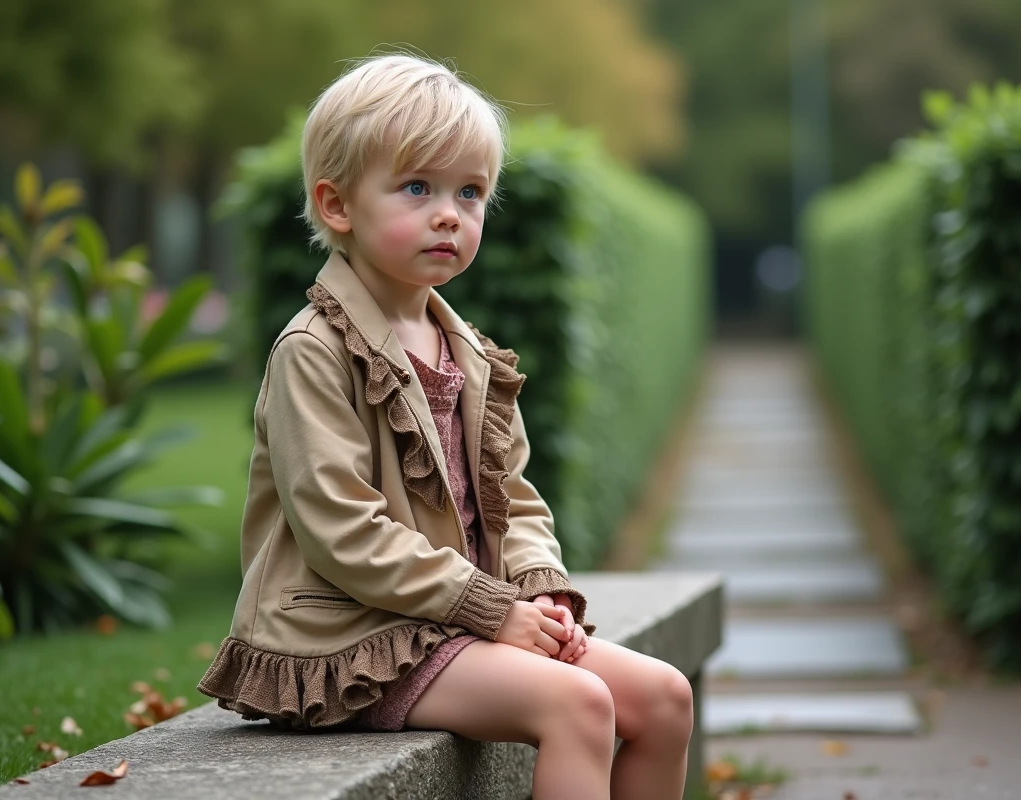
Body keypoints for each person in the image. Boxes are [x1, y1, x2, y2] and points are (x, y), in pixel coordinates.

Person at [197, 52, 693, 800]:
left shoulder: (467, 350)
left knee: (663, 698)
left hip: (456, 620)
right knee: (579, 703)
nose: (449, 214)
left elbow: (514, 498)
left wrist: (537, 590)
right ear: (337, 206)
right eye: (417, 187)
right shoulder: (314, 350)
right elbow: (342, 531)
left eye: (471, 193)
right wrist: (491, 610)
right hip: (355, 637)